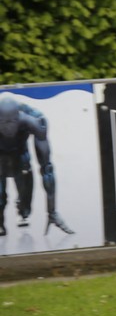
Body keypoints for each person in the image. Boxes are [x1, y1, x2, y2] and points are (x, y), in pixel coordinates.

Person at [0, 95, 73, 237]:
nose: (7, 127)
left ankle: (23, 210)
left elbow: (47, 169)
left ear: (18, 118)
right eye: (2, 122)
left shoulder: (34, 120)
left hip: (20, 152)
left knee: (26, 189)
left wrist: (52, 211)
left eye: (11, 122)